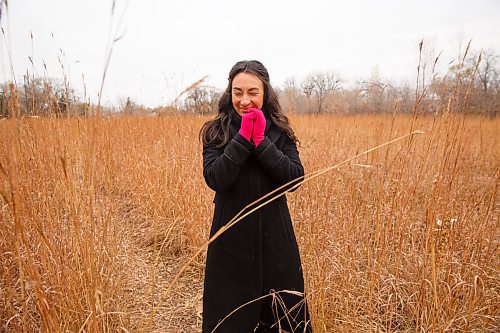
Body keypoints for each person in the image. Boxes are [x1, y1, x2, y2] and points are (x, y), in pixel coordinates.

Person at [200, 60, 312, 332]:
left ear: (265, 93)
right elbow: (216, 178)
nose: (245, 100)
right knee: (230, 315)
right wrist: (242, 139)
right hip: (230, 235)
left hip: (275, 236)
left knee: (282, 314)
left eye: (253, 92)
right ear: (230, 93)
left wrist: (262, 142)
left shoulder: (279, 130)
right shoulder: (216, 131)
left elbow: (295, 178)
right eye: (238, 92)